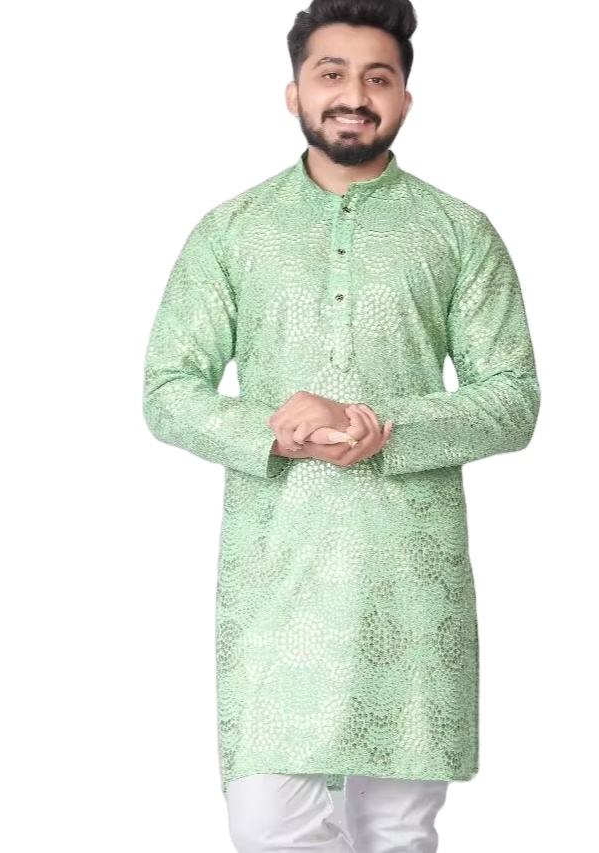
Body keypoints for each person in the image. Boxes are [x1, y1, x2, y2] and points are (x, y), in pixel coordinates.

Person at [142, 0, 541, 849]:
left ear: (404, 98)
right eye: (331, 74)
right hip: (275, 579)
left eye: (377, 78)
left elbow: (512, 399)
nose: (353, 95)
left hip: (411, 580)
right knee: (268, 825)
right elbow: (168, 390)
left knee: (395, 831)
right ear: (294, 92)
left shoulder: (458, 232)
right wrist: (272, 430)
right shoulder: (232, 232)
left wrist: (382, 423)